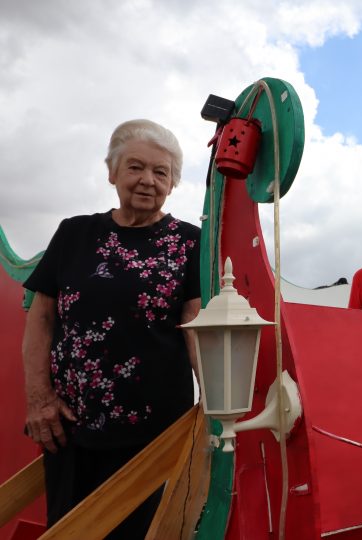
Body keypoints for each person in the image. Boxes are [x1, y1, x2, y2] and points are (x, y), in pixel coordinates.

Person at [22, 119, 201, 537]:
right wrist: (39, 399)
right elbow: (42, 318)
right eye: (135, 167)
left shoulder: (191, 240)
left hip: (157, 433)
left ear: (173, 183)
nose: (147, 180)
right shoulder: (74, 233)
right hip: (70, 425)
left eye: (161, 172)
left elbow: (195, 324)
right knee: (70, 528)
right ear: (112, 173)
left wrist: (213, 411)